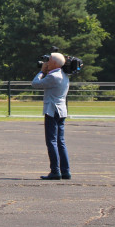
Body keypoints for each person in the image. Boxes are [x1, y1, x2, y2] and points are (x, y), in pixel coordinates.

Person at [32, 52, 71, 180]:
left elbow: (35, 83)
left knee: (52, 141)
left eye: (48, 61)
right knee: (61, 141)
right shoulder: (64, 75)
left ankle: (55, 171)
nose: (46, 63)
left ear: (54, 63)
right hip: (61, 110)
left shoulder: (54, 76)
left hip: (52, 110)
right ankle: (65, 171)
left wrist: (42, 71)